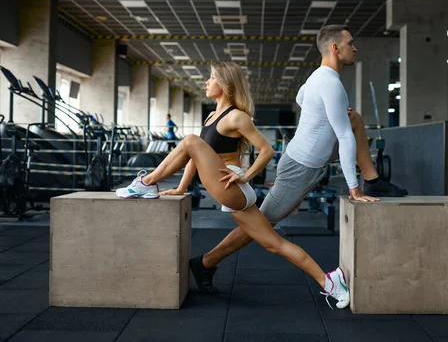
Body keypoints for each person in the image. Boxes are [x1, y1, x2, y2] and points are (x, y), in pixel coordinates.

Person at [186, 25, 407, 294]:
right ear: (336, 48)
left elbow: (301, 97)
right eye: (351, 43)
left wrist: (319, 115)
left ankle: (372, 179)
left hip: (311, 159)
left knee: (354, 119)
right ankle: (206, 262)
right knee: (261, 226)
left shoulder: (317, 77)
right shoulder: (331, 84)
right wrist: (353, 189)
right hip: (300, 167)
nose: (355, 47)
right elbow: (345, 139)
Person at [116, 62, 350, 309]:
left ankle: (145, 182)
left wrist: (246, 175)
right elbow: (194, 158)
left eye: (211, 78)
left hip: (232, 187)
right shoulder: (211, 116)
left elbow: (266, 150)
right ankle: (329, 281)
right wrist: (182, 188)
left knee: (190, 141)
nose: (206, 82)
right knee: (274, 244)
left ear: (225, 85)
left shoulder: (237, 116)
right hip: (229, 191)